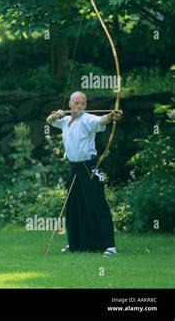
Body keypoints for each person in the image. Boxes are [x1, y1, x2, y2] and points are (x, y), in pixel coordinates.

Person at [46, 92, 122, 256]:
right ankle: (75, 244)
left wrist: (111, 116)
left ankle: (110, 246)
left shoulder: (88, 119)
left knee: (97, 204)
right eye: (77, 103)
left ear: (86, 105)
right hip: (73, 168)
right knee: (74, 206)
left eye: (83, 103)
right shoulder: (65, 121)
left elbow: (101, 120)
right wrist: (55, 116)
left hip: (88, 168)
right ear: (70, 105)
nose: (80, 106)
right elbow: (49, 121)